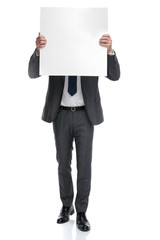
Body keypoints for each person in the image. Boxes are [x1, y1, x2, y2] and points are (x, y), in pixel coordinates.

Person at [28, 32, 120, 232]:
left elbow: (115, 76)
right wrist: (38, 50)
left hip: (85, 116)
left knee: (84, 165)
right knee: (63, 163)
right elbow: (33, 73)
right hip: (60, 114)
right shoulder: (55, 51)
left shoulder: (93, 51)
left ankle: (81, 212)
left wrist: (109, 51)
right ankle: (66, 206)